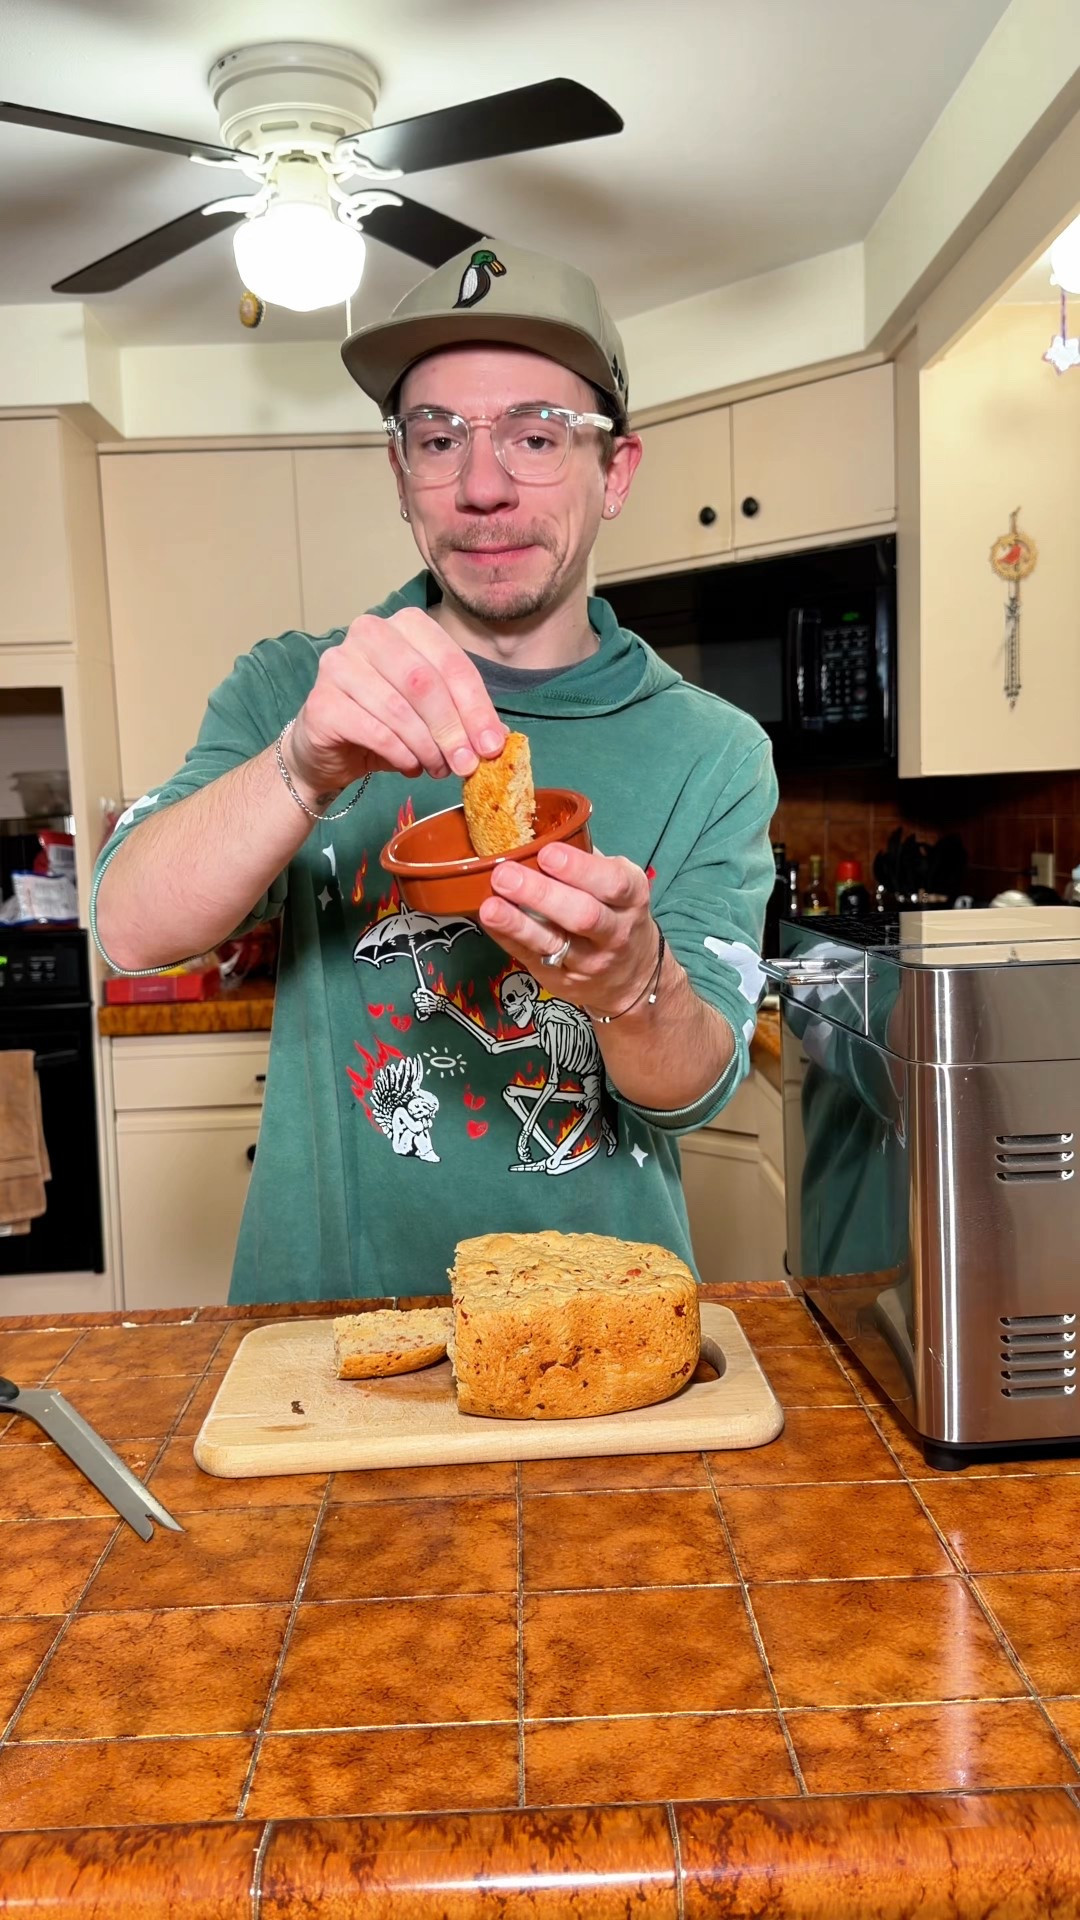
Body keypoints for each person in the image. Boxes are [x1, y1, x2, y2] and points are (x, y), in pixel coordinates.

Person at [92, 237, 778, 1305]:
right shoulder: (298, 688)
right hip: (323, 1327)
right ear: (399, 475)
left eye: (538, 436)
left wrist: (626, 981)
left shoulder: (714, 751)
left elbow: (692, 1089)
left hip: (601, 1327)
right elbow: (130, 929)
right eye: (438, 437)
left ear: (617, 472)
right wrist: (303, 767)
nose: (483, 486)